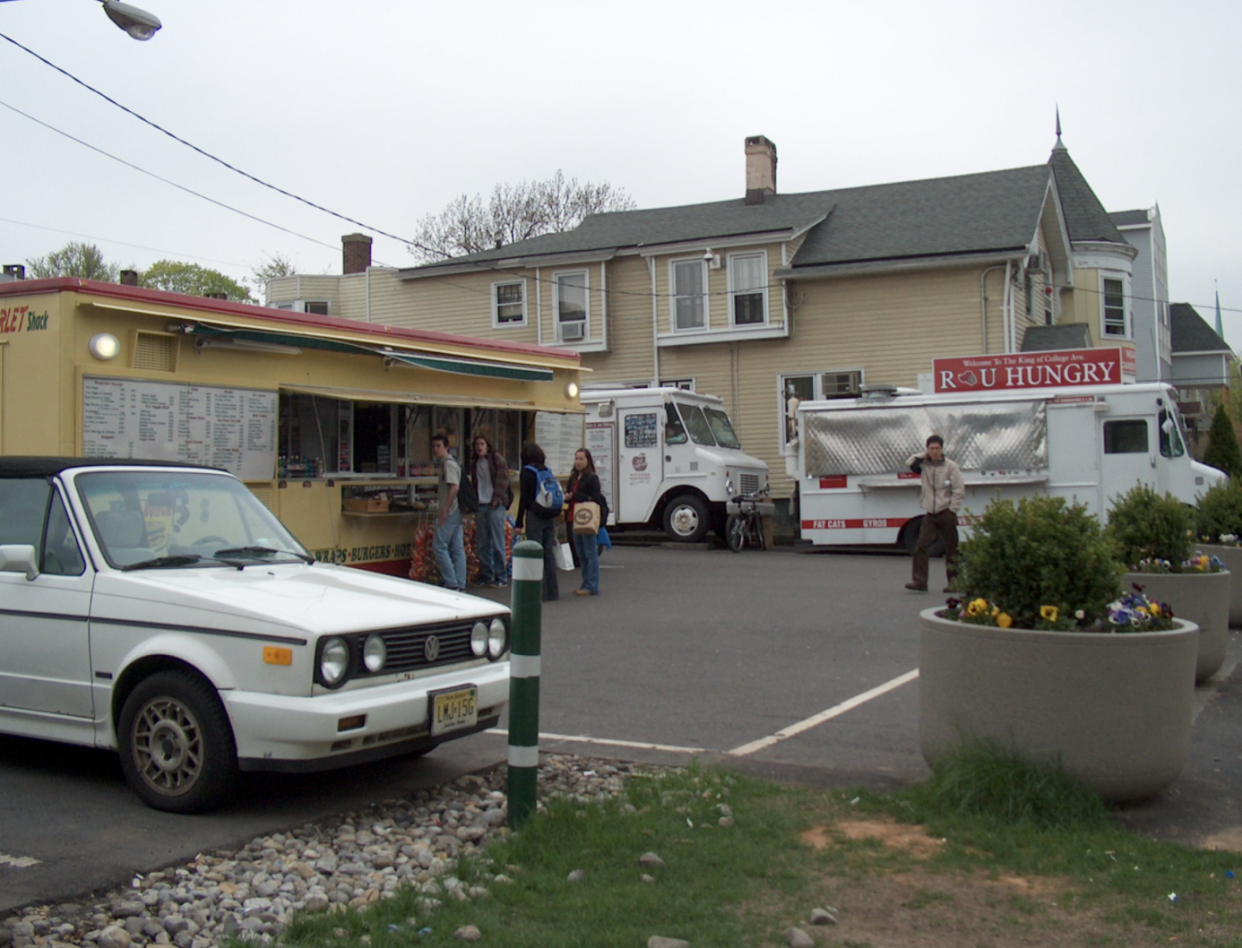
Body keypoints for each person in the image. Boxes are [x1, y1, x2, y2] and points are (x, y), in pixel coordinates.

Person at [905, 434, 964, 593]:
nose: (935, 451)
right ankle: (920, 582)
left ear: (942, 449)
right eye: (931, 448)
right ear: (927, 449)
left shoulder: (950, 466)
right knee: (921, 546)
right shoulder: (923, 465)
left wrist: (953, 509)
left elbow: (959, 489)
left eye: (937, 448)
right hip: (930, 513)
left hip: (946, 512)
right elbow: (909, 462)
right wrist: (924, 455)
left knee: (952, 549)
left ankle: (954, 583)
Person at [516, 442, 559, 602]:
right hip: (549, 515)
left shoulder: (527, 472)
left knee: (535, 552)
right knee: (548, 552)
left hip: (535, 515)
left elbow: (524, 499)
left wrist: (519, 522)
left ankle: (538, 592)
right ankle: (552, 592)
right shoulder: (546, 470)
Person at [470, 434, 511, 588]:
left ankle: (501, 576)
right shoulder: (475, 463)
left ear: (487, 445)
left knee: (497, 541)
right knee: (482, 542)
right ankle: (486, 574)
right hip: (481, 504)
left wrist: (497, 499)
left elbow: (503, 480)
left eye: (482, 444)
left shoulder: (496, 459)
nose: (479, 447)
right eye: (477, 445)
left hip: (495, 505)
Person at [566, 447, 606, 596]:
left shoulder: (592, 478)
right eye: (576, 458)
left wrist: (575, 495)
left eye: (581, 459)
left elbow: (595, 499)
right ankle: (585, 582)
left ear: (587, 461)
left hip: (586, 518)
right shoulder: (573, 477)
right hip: (573, 517)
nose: (578, 462)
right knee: (580, 553)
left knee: (590, 552)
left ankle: (592, 585)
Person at [431, 434, 466, 593]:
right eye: (434, 446)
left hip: (450, 510)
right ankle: (460, 582)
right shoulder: (449, 464)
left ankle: (451, 582)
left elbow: (454, 487)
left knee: (439, 546)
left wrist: (444, 508)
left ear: (446, 447)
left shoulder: (448, 464)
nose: (435, 449)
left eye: (439, 446)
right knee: (457, 547)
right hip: (455, 510)